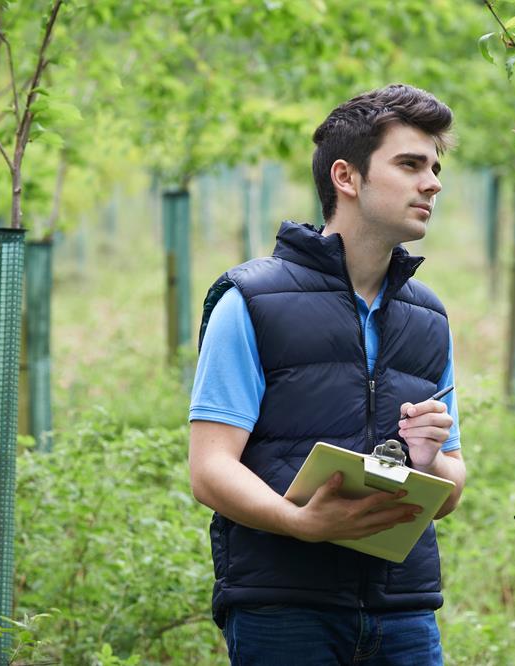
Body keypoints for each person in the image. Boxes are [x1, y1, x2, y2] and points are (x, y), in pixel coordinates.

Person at [188, 83, 466, 665]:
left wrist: (429, 455)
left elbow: (450, 489)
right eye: (410, 164)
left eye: (435, 167)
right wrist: (300, 522)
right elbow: (209, 470)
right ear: (347, 177)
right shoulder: (252, 300)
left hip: (404, 610)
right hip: (284, 607)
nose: (432, 182)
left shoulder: (429, 317)